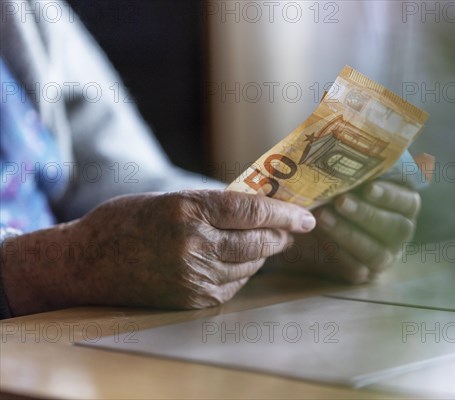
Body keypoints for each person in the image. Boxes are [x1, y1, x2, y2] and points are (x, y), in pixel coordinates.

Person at [0, 0, 420, 318]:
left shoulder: (27, 13)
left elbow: (123, 174)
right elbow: (90, 250)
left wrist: (273, 235)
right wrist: (58, 265)